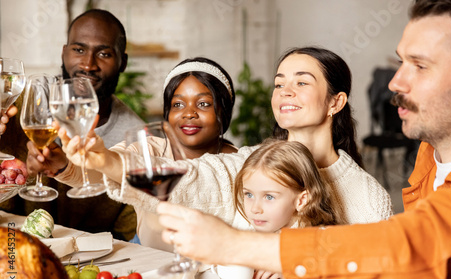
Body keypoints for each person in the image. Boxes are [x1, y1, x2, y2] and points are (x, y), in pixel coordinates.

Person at [155, 0, 451, 279]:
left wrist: (237, 246)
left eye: (420, 66)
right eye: (401, 64)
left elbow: (421, 243)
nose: (395, 82)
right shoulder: (433, 151)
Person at [64, 46, 392, 237]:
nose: (285, 92)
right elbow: (189, 178)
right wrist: (107, 161)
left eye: (301, 82)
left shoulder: (368, 197)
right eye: (279, 84)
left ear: (336, 102)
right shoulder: (247, 163)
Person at [57, 57, 237, 249]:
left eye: (203, 104)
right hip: (152, 258)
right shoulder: (146, 148)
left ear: (223, 111)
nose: (189, 113)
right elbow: (102, 173)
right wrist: (63, 164)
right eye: (178, 104)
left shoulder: (240, 162)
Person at [3, 9, 145, 240]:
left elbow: (129, 237)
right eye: (79, 50)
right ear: (63, 53)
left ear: (123, 62)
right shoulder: (21, 108)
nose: (88, 65)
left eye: (104, 54)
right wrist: (28, 173)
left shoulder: (136, 139)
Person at [232, 139, 337, 279]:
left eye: (269, 197)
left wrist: (295, 268)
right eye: (249, 194)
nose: (254, 208)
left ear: (301, 200)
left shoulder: (317, 238)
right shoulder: (245, 224)